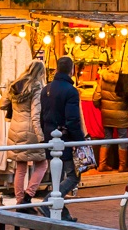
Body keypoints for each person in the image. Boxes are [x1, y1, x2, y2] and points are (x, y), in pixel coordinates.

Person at [38, 56, 90, 200]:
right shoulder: (71, 91)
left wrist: (46, 134)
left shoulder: (46, 89)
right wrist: (79, 141)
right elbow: (72, 119)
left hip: (50, 136)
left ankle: (58, 210)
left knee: (57, 176)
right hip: (64, 138)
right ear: (71, 70)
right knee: (73, 177)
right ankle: (49, 202)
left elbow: (42, 116)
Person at [3, 59, 47, 203]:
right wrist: (41, 137)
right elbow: (35, 115)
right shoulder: (37, 86)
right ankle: (28, 195)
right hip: (31, 131)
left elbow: (1, 104)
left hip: (15, 130)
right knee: (42, 164)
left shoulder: (15, 85)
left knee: (20, 168)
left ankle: (19, 200)